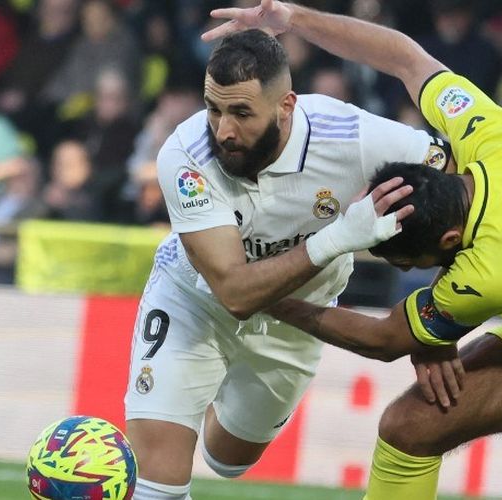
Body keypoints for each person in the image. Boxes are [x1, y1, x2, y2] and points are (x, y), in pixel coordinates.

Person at [202, 1, 502, 498]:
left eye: (409, 264)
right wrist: (294, 20)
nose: (408, 270)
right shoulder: (491, 134)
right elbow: (405, 57)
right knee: (411, 428)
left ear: (447, 243)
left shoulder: (491, 271)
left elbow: (383, 339)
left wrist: (257, 291)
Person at [125, 27, 455, 500]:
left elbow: (459, 188)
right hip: (196, 301)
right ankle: (176, 390)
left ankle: (198, 392)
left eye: (241, 112)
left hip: (301, 316)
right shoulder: (185, 155)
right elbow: (235, 294)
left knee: (229, 459)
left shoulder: (352, 134)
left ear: (287, 106)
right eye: (213, 108)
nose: (223, 130)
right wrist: (339, 236)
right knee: (157, 483)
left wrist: (441, 323)